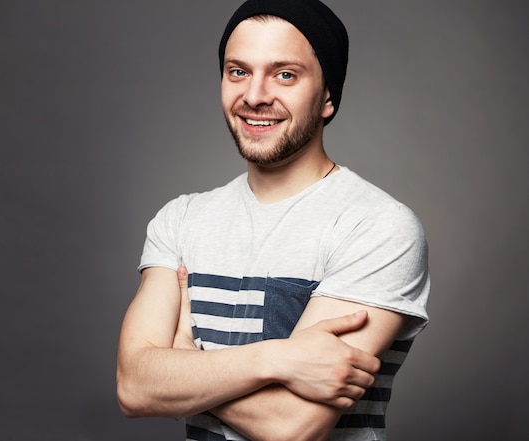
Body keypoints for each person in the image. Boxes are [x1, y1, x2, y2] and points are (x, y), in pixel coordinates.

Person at [117, 0, 430, 440]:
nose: (255, 95)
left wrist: (184, 361)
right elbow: (134, 387)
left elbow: (292, 426)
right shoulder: (180, 219)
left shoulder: (379, 227)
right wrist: (278, 359)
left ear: (327, 97)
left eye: (285, 74)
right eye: (238, 71)